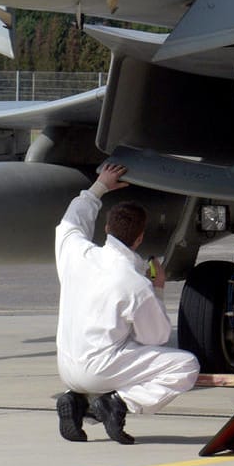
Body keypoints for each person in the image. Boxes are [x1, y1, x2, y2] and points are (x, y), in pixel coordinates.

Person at [53, 159, 198, 444]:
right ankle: (118, 403)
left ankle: (80, 405)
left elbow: (71, 221)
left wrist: (99, 186)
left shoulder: (75, 253)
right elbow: (155, 337)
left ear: (106, 227)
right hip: (99, 371)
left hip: (67, 368)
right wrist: (157, 289)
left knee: (120, 343)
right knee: (185, 366)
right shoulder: (135, 284)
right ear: (140, 237)